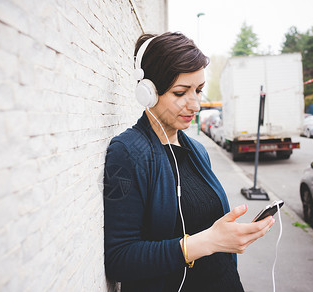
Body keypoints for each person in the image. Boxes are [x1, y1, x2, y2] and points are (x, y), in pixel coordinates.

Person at [103, 32, 275, 292]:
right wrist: (207, 242)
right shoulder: (128, 153)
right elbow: (119, 259)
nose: (195, 105)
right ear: (147, 92)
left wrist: (228, 237)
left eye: (199, 90)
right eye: (181, 92)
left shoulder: (196, 150)